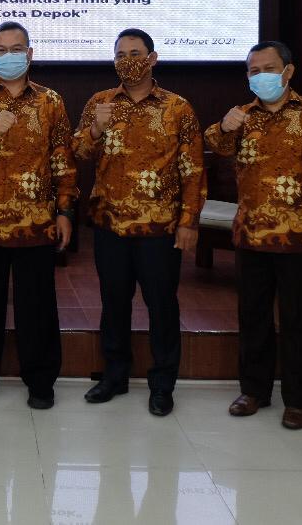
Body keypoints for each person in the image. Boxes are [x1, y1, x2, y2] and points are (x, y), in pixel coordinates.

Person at [204, 41, 302, 430]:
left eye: (269, 68)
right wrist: (224, 126)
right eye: (253, 70)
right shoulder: (242, 116)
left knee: (301, 320)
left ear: (288, 71)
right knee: (253, 317)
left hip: (301, 236)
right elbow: (214, 144)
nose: (261, 76)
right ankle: (254, 391)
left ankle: (298, 400)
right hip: (251, 234)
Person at [72, 28, 204, 417]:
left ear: (152, 58)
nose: (127, 60)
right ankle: (114, 376)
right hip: (110, 223)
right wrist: (95, 129)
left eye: (135, 53)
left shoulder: (177, 108)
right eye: (120, 54)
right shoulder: (99, 102)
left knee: (161, 305)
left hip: (159, 227)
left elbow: (193, 170)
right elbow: (78, 152)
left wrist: (189, 221)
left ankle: (162, 384)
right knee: (113, 302)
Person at [0, 21, 77, 410]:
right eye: (1, 50)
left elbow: (62, 158)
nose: (9, 56)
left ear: (30, 54)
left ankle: (40, 381)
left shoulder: (50, 101)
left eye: (16, 49)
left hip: (35, 223)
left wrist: (65, 210)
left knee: (37, 308)